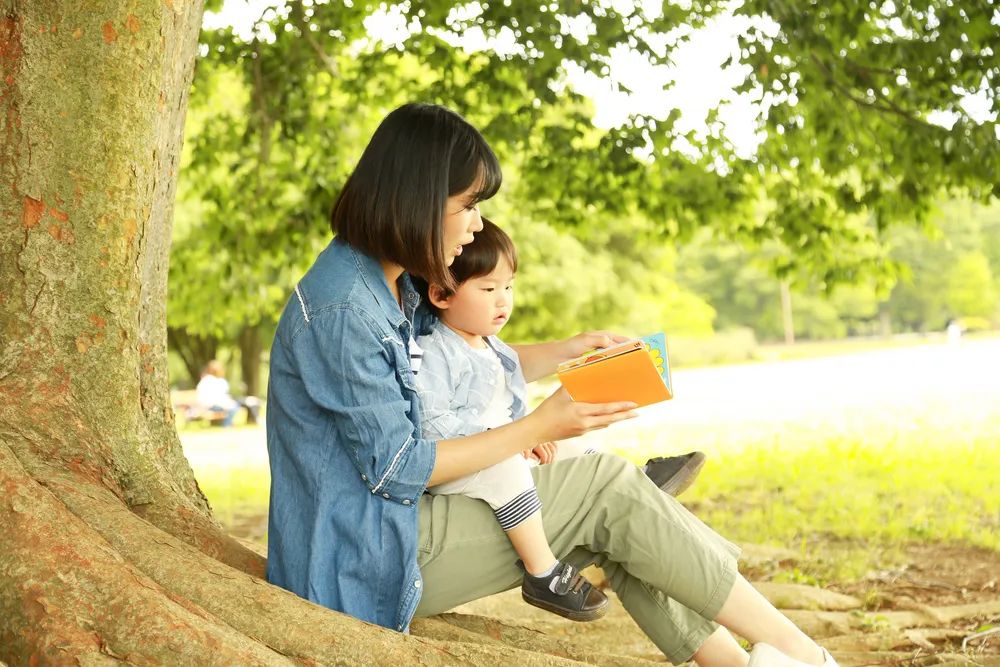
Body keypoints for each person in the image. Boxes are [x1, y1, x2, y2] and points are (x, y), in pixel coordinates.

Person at [265, 103, 837, 667]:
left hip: (399, 528)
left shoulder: (389, 283)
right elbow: (398, 467)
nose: (477, 226)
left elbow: (456, 362)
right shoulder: (346, 309)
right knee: (607, 489)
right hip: (366, 560)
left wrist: (565, 355)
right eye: (466, 206)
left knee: (617, 518)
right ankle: (802, 654)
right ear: (417, 199)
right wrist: (535, 428)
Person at [412, 217, 707, 622]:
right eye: (488, 289)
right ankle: (543, 571)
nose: (503, 301)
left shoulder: (489, 347)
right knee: (505, 471)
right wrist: (515, 439)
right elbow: (434, 424)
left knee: (575, 445)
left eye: (508, 287)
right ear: (442, 295)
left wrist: (576, 353)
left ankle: (636, 484)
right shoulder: (434, 353)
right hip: (467, 464)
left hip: (503, 447)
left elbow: (511, 382)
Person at [195, 360, 260, 427]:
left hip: (212, 403)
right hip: (211, 405)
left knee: (239, 404)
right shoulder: (212, 380)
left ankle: (252, 420)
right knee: (233, 407)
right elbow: (216, 397)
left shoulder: (210, 380)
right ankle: (226, 424)